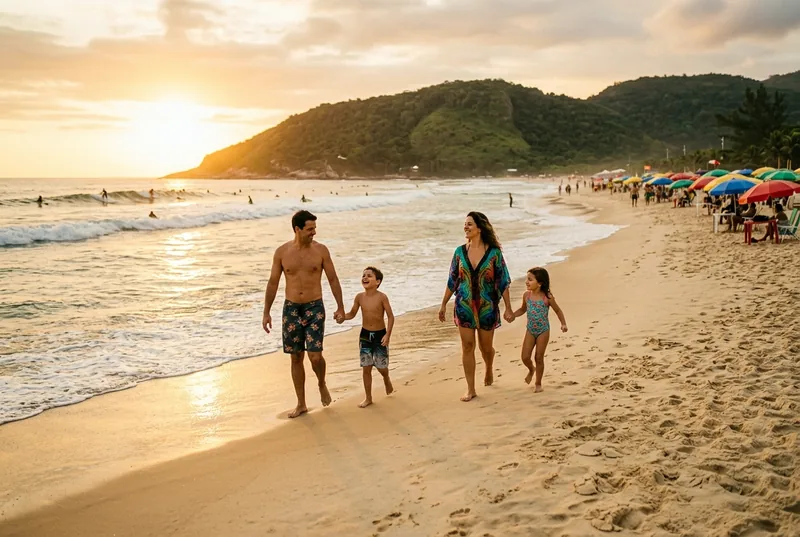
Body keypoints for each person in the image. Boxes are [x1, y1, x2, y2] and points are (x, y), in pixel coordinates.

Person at [262, 210, 345, 418]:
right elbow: (273, 283)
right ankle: (301, 404)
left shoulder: (321, 251)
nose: (314, 232)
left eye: (315, 228)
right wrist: (266, 312)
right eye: (310, 229)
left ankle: (321, 382)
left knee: (315, 356)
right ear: (297, 229)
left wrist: (340, 307)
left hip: (314, 307)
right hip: (291, 308)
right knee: (296, 357)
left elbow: (333, 279)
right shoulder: (282, 253)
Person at [438, 212, 514, 402]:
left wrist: (508, 308)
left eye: (469, 224)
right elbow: (452, 280)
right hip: (463, 306)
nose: (466, 227)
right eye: (465, 224)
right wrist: (443, 304)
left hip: (487, 308)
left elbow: (503, 281)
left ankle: (488, 367)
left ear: (479, 228)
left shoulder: (494, 254)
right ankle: (471, 389)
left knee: (486, 348)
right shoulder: (459, 252)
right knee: (467, 346)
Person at [344, 266, 395, 408]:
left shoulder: (382, 297)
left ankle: (386, 377)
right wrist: (343, 317)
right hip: (365, 336)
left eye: (369, 276)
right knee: (366, 367)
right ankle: (368, 398)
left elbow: (390, 317)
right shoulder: (359, 297)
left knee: (381, 367)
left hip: (380, 335)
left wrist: (388, 335)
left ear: (378, 281)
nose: (365, 278)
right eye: (363, 275)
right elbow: (352, 314)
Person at [512, 267, 568, 393]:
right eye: (527, 279)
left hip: (543, 330)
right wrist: (513, 315)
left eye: (530, 280)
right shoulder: (527, 296)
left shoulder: (547, 297)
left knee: (539, 357)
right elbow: (522, 309)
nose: (527, 282)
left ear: (540, 283)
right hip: (530, 330)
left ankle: (538, 383)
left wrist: (563, 324)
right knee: (525, 357)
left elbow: (558, 310)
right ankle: (531, 369)